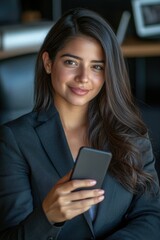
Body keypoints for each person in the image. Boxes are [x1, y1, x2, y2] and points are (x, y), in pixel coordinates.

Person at [0, 7, 160, 240]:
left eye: (97, 66)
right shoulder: (15, 140)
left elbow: (151, 215)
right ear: (48, 62)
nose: (84, 77)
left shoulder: (130, 133)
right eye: (71, 62)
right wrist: (47, 216)